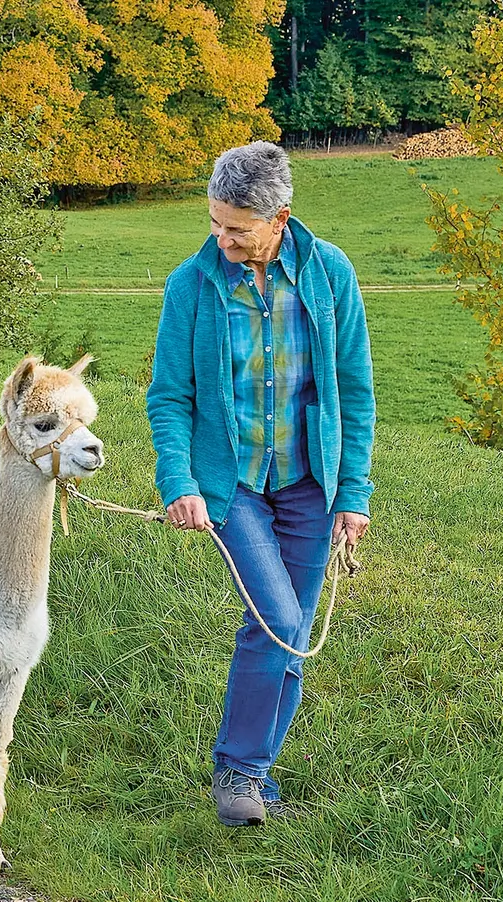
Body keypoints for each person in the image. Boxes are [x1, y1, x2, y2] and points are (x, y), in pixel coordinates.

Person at [146, 142, 375, 827]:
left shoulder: (330, 274)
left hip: (311, 480)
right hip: (233, 483)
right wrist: (178, 479)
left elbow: (354, 391)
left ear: (280, 217)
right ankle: (240, 769)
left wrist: (354, 491)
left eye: (237, 228)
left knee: (294, 632)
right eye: (216, 223)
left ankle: (254, 776)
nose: (222, 238)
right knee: (275, 620)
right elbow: (169, 396)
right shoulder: (192, 285)